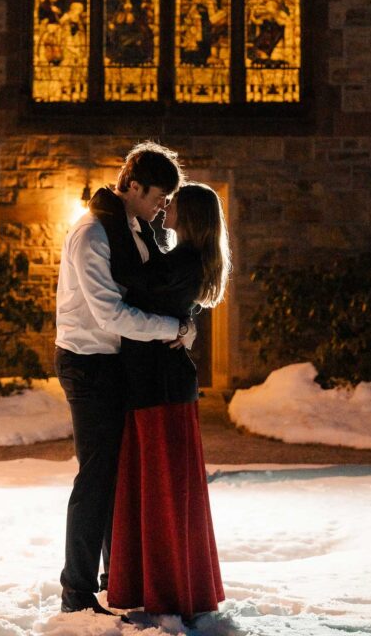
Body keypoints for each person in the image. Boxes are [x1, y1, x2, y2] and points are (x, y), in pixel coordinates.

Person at [54, 142, 194, 615]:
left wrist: (181, 321)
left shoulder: (135, 230)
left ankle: (118, 578)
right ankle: (75, 591)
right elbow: (110, 314)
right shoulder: (92, 233)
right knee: (96, 476)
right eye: (159, 195)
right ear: (133, 185)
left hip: (117, 363)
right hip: (88, 362)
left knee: (121, 473)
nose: (163, 206)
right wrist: (169, 329)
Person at [106, 182, 230, 621]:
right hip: (157, 384)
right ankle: (164, 584)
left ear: (190, 214)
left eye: (174, 203)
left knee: (162, 490)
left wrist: (114, 217)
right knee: (158, 488)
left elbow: (132, 279)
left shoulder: (183, 261)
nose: (166, 207)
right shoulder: (180, 259)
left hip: (160, 387)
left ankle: (170, 590)